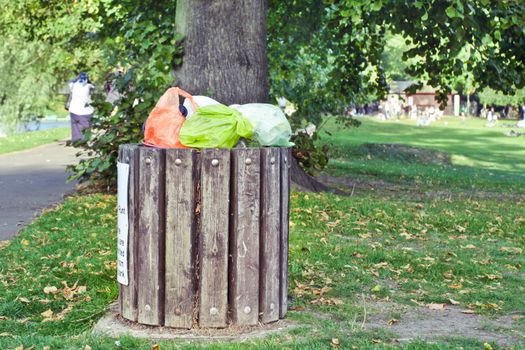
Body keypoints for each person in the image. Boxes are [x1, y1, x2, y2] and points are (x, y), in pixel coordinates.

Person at [68, 72, 95, 142]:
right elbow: (94, 86)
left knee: (75, 127)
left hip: (74, 110)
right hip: (86, 112)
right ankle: (84, 141)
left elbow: (70, 81)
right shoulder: (89, 86)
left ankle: (76, 141)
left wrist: (76, 78)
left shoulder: (73, 85)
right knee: (86, 128)